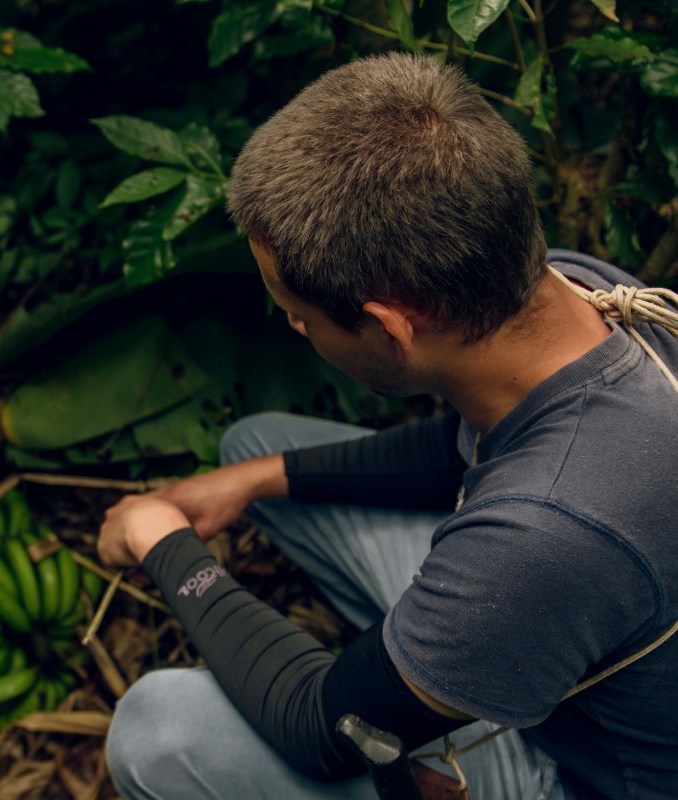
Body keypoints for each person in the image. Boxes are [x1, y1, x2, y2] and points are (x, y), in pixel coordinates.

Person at [96, 53, 678, 800]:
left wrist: (163, 544)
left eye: (298, 314)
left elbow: (320, 728)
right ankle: (424, 682)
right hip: (574, 609)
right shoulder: (586, 295)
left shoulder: (544, 538)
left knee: (158, 726)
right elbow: (469, 444)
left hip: (583, 772)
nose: (291, 323)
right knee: (258, 445)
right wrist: (257, 478)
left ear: (390, 325)